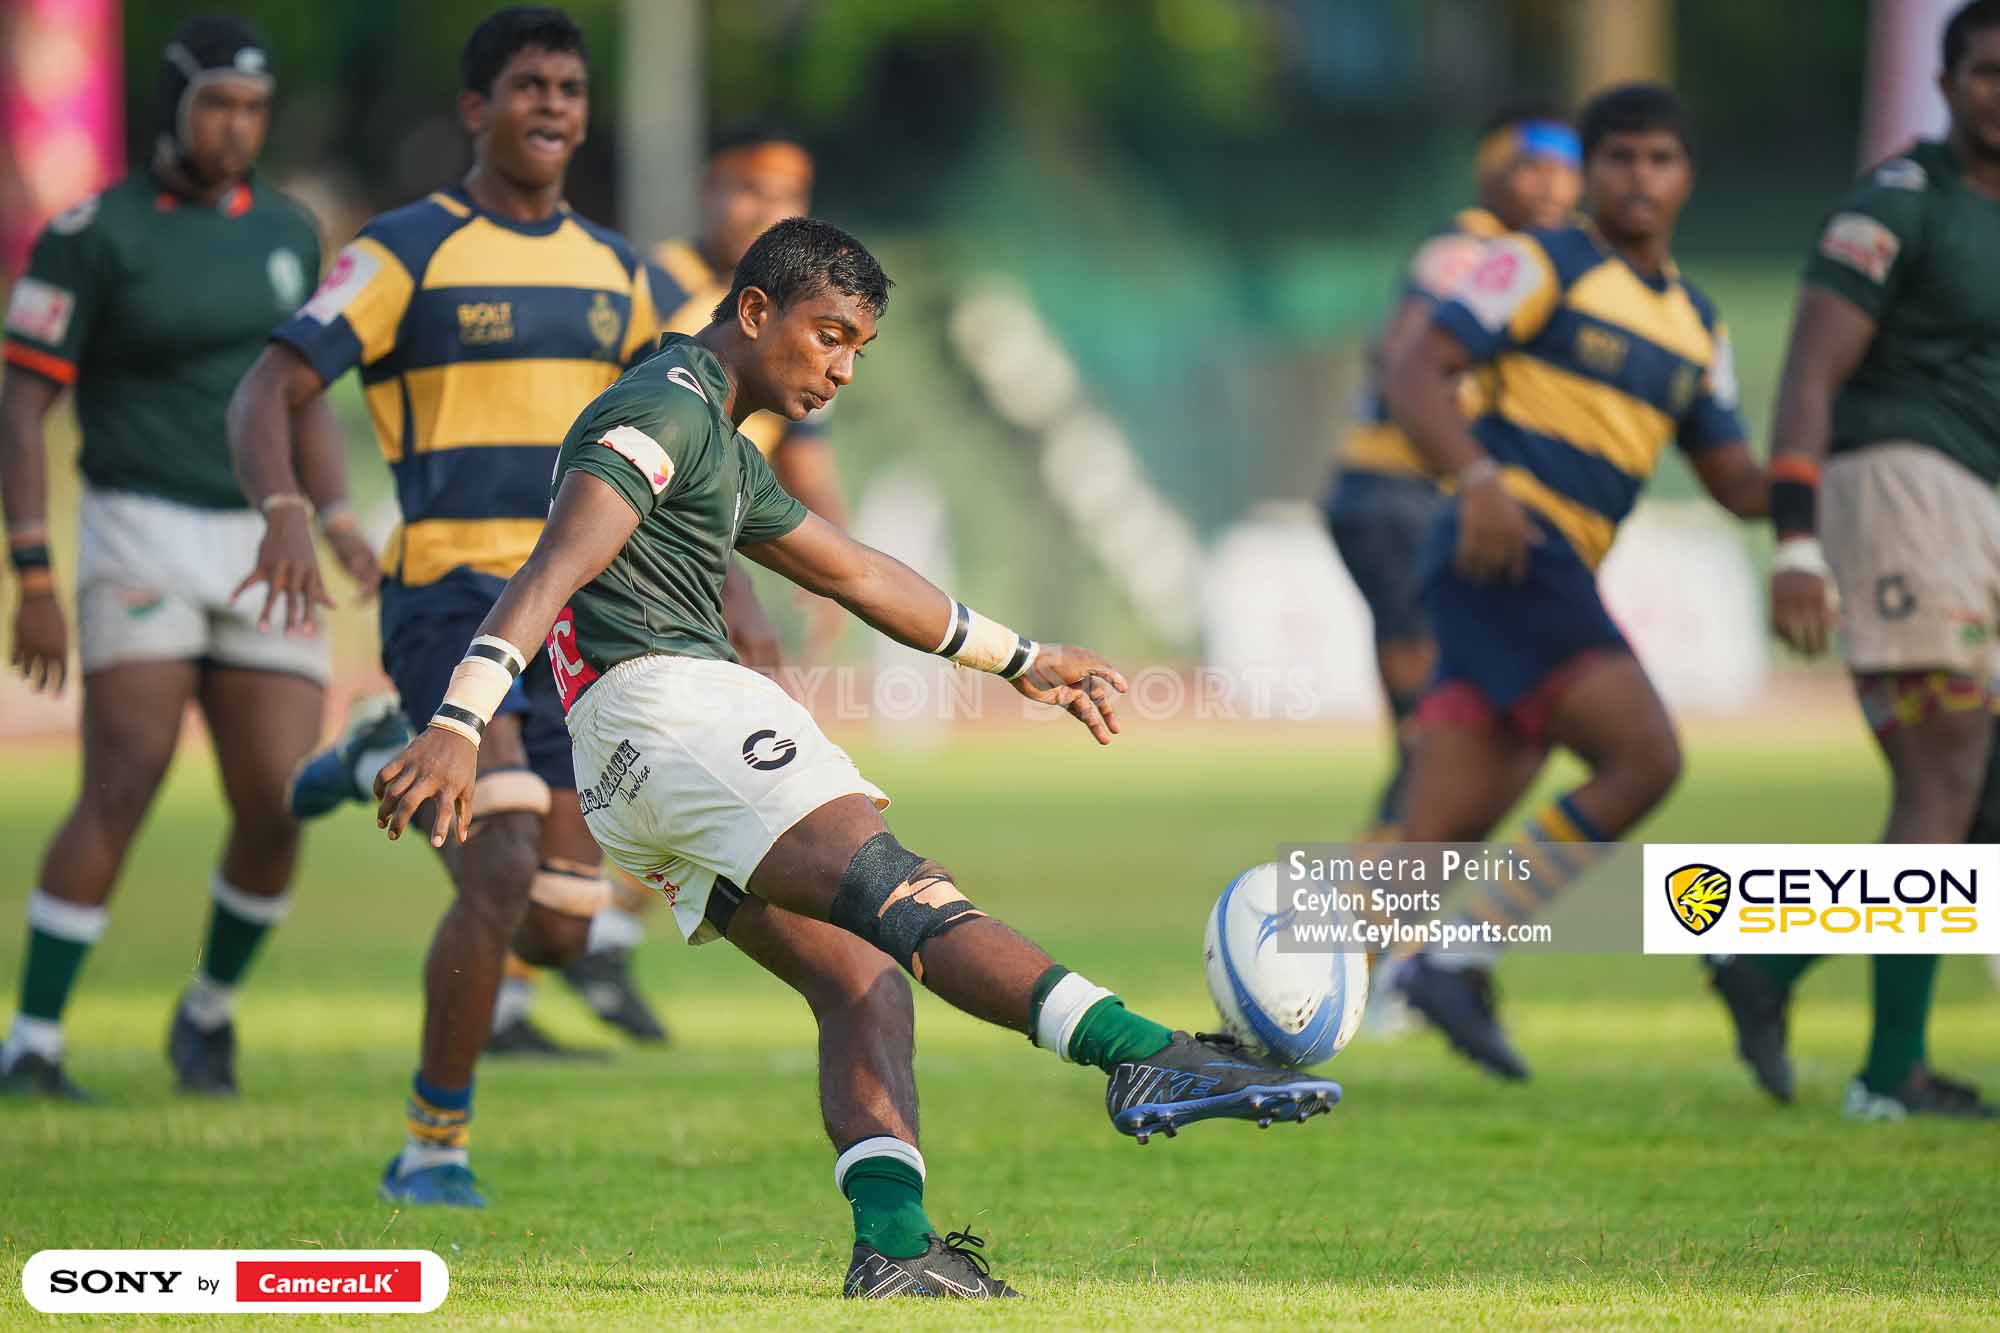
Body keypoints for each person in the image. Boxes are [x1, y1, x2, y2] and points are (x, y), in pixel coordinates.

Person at [372, 217, 1342, 1293]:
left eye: (859, 350)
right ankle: (1141, 1053)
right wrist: (459, 720)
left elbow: (854, 572)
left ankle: (894, 1246)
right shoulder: (663, 407)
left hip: (628, 763)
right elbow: (554, 561)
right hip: (674, 712)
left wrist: (1021, 659)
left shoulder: (716, 439)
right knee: (904, 894)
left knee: (862, 980)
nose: (841, 368)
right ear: (754, 311)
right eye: (829, 334)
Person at [227, 6, 662, 1201]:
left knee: (561, 922)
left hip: (575, 614)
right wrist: (287, 509)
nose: (553, 105)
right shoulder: (403, 250)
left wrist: (735, 593)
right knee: (500, 864)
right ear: (477, 108)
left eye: (569, 88)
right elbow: (271, 384)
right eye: (528, 85)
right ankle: (433, 1146)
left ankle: (380, 748)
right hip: (449, 595)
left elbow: (669, 449)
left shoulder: (618, 273)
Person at [0, 16, 365, 1101]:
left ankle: (206, 1013)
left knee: (278, 799)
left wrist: (337, 516)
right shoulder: (92, 231)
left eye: (253, 109)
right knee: (123, 779)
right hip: (139, 526)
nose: (236, 128)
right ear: (174, 106)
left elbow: (304, 398)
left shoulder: (290, 230)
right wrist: (32, 574)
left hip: (265, 537)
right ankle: (33, 1040)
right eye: (218, 105)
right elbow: (21, 412)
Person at [1380, 83, 1768, 1080]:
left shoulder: (1698, 324)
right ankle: (1455, 961)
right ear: (1589, 173)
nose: (1640, 177)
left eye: (1660, 158)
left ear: (1687, 176)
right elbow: (1413, 370)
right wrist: (1477, 480)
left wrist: (1830, 475)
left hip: (1532, 573)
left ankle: (1271, 1010)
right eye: (1620, 157)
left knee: (1430, 838)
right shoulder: (1540, 261)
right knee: (1645, 757)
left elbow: (1736, 483)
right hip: (1508, 553)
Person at [1706, 0, 2000, 1121]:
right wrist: (1794, 540)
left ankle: (1765, 959)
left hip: (1982, 501)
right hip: (1900, 487)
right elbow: (1809, 373)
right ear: (1945, 82)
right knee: (1943, 774)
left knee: (1976, 797)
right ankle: (1890, 1073)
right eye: (1986, 72)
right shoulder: (1899, 202)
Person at [520, 126, 847, 1050]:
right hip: (618, 549)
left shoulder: (798, 312)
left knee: (649, 766)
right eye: (751, 190)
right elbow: (633, 433)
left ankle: (598, 942)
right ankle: (562, 953)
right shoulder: (653, 288)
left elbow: (804, 453)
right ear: (710, 190)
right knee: (569, 775)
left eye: (788, 195)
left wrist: (829, 570)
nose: (768, 210)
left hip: (713, 543)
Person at [1324, 101, 1581, 841]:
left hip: (1399, 501)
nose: (1552, 187)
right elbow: (1402, 348)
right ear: (1490, 172)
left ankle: (1376, 888)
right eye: (1532, 168)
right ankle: (1376, 894)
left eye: (1566, 171)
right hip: (1398, 496)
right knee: (1442, 729)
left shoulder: (1529, 260)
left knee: (1436, 733)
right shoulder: (1474, 249)